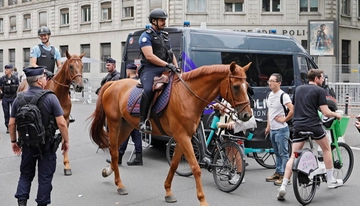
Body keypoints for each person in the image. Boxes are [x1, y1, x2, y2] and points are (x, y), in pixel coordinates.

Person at [277, 69, 343, 201]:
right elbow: (325, 112)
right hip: (313, 126)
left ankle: (283, 186)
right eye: (322, 77)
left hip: (298, 126)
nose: (323, 79)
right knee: (326, 149)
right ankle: (330, 179)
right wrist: (336, 114)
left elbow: (295, 108)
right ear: (317, 78)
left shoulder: (299, 89)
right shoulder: (320, 91)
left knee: (293, 156)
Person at [9, 67, 69, 206]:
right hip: (46, 145)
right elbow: (62, 123)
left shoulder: (19, 99)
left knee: (25, 175)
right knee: (45, 178)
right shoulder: (50, 97)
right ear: (39, 81)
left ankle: (22, 202)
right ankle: (42, 203)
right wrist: (66, 141)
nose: (45, 79)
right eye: (43, 77)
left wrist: (14, 141)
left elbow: (12, 124)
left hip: (28, 144)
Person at [138, 8, 179, 133]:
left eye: (164, 20)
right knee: (149, 90)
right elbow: (149, 56)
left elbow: (171, 54)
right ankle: (142, 121)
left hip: (165, 68)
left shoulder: (165, 36)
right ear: (153, 21)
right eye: (162, 20)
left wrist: (176, 68)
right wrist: (168, 65)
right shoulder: (145, 36)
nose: (164, 22)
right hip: (150, 69)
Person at [106, 63, 143, 165]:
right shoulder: (139, 80)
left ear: (128, 71)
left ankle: (119, 156)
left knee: (127, 134)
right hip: (137, 111)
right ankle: (133, 156)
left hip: (132, 111)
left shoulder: (132, 83)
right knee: (135, 136)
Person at [264, 73, 293, 186]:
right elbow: (269, 112)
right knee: (276, 152)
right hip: (273, 129)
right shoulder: (270, 95)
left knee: (283, 153)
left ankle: (286, 177)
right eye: (269, 81)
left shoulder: (283, 96)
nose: (270, 83)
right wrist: (268, 126)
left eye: (272, 81)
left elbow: (292, 109)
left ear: (279, 83)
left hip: (282, 129)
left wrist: (284, 119)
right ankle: (278, 172)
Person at [0, 64, 20, 133]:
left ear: (11, 71)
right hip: (5, 97)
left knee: (14, 112)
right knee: (6, 113)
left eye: (7, 69)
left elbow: (18, 88)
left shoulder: (15, 78)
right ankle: (8, 126)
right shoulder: (2, 78)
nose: (5, 71)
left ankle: (15, 125)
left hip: (13, 97)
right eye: (5, 69)